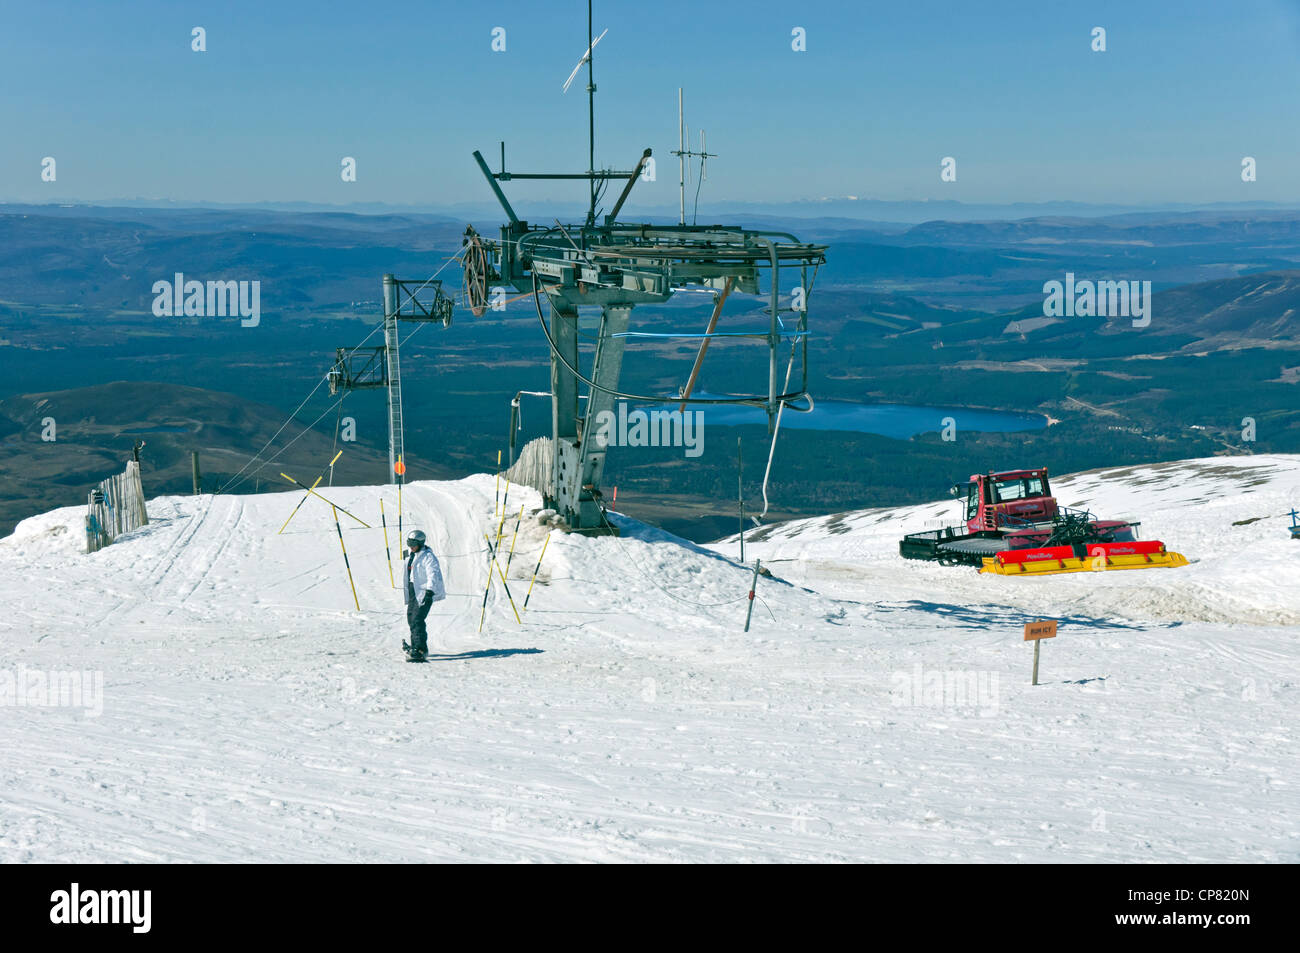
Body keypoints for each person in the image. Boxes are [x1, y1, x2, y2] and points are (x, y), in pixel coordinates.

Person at [403, 529, 445, 660]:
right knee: (411, 618)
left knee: (417, 619)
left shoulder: (428, 556)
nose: (411, 546)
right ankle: (416, 645)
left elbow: (434, 574)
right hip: (412, 590)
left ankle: (420, 649)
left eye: (414, 544)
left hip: (424, 592)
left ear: (421, 543)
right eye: (409, 543)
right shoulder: (410, 554)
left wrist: (430, 592)